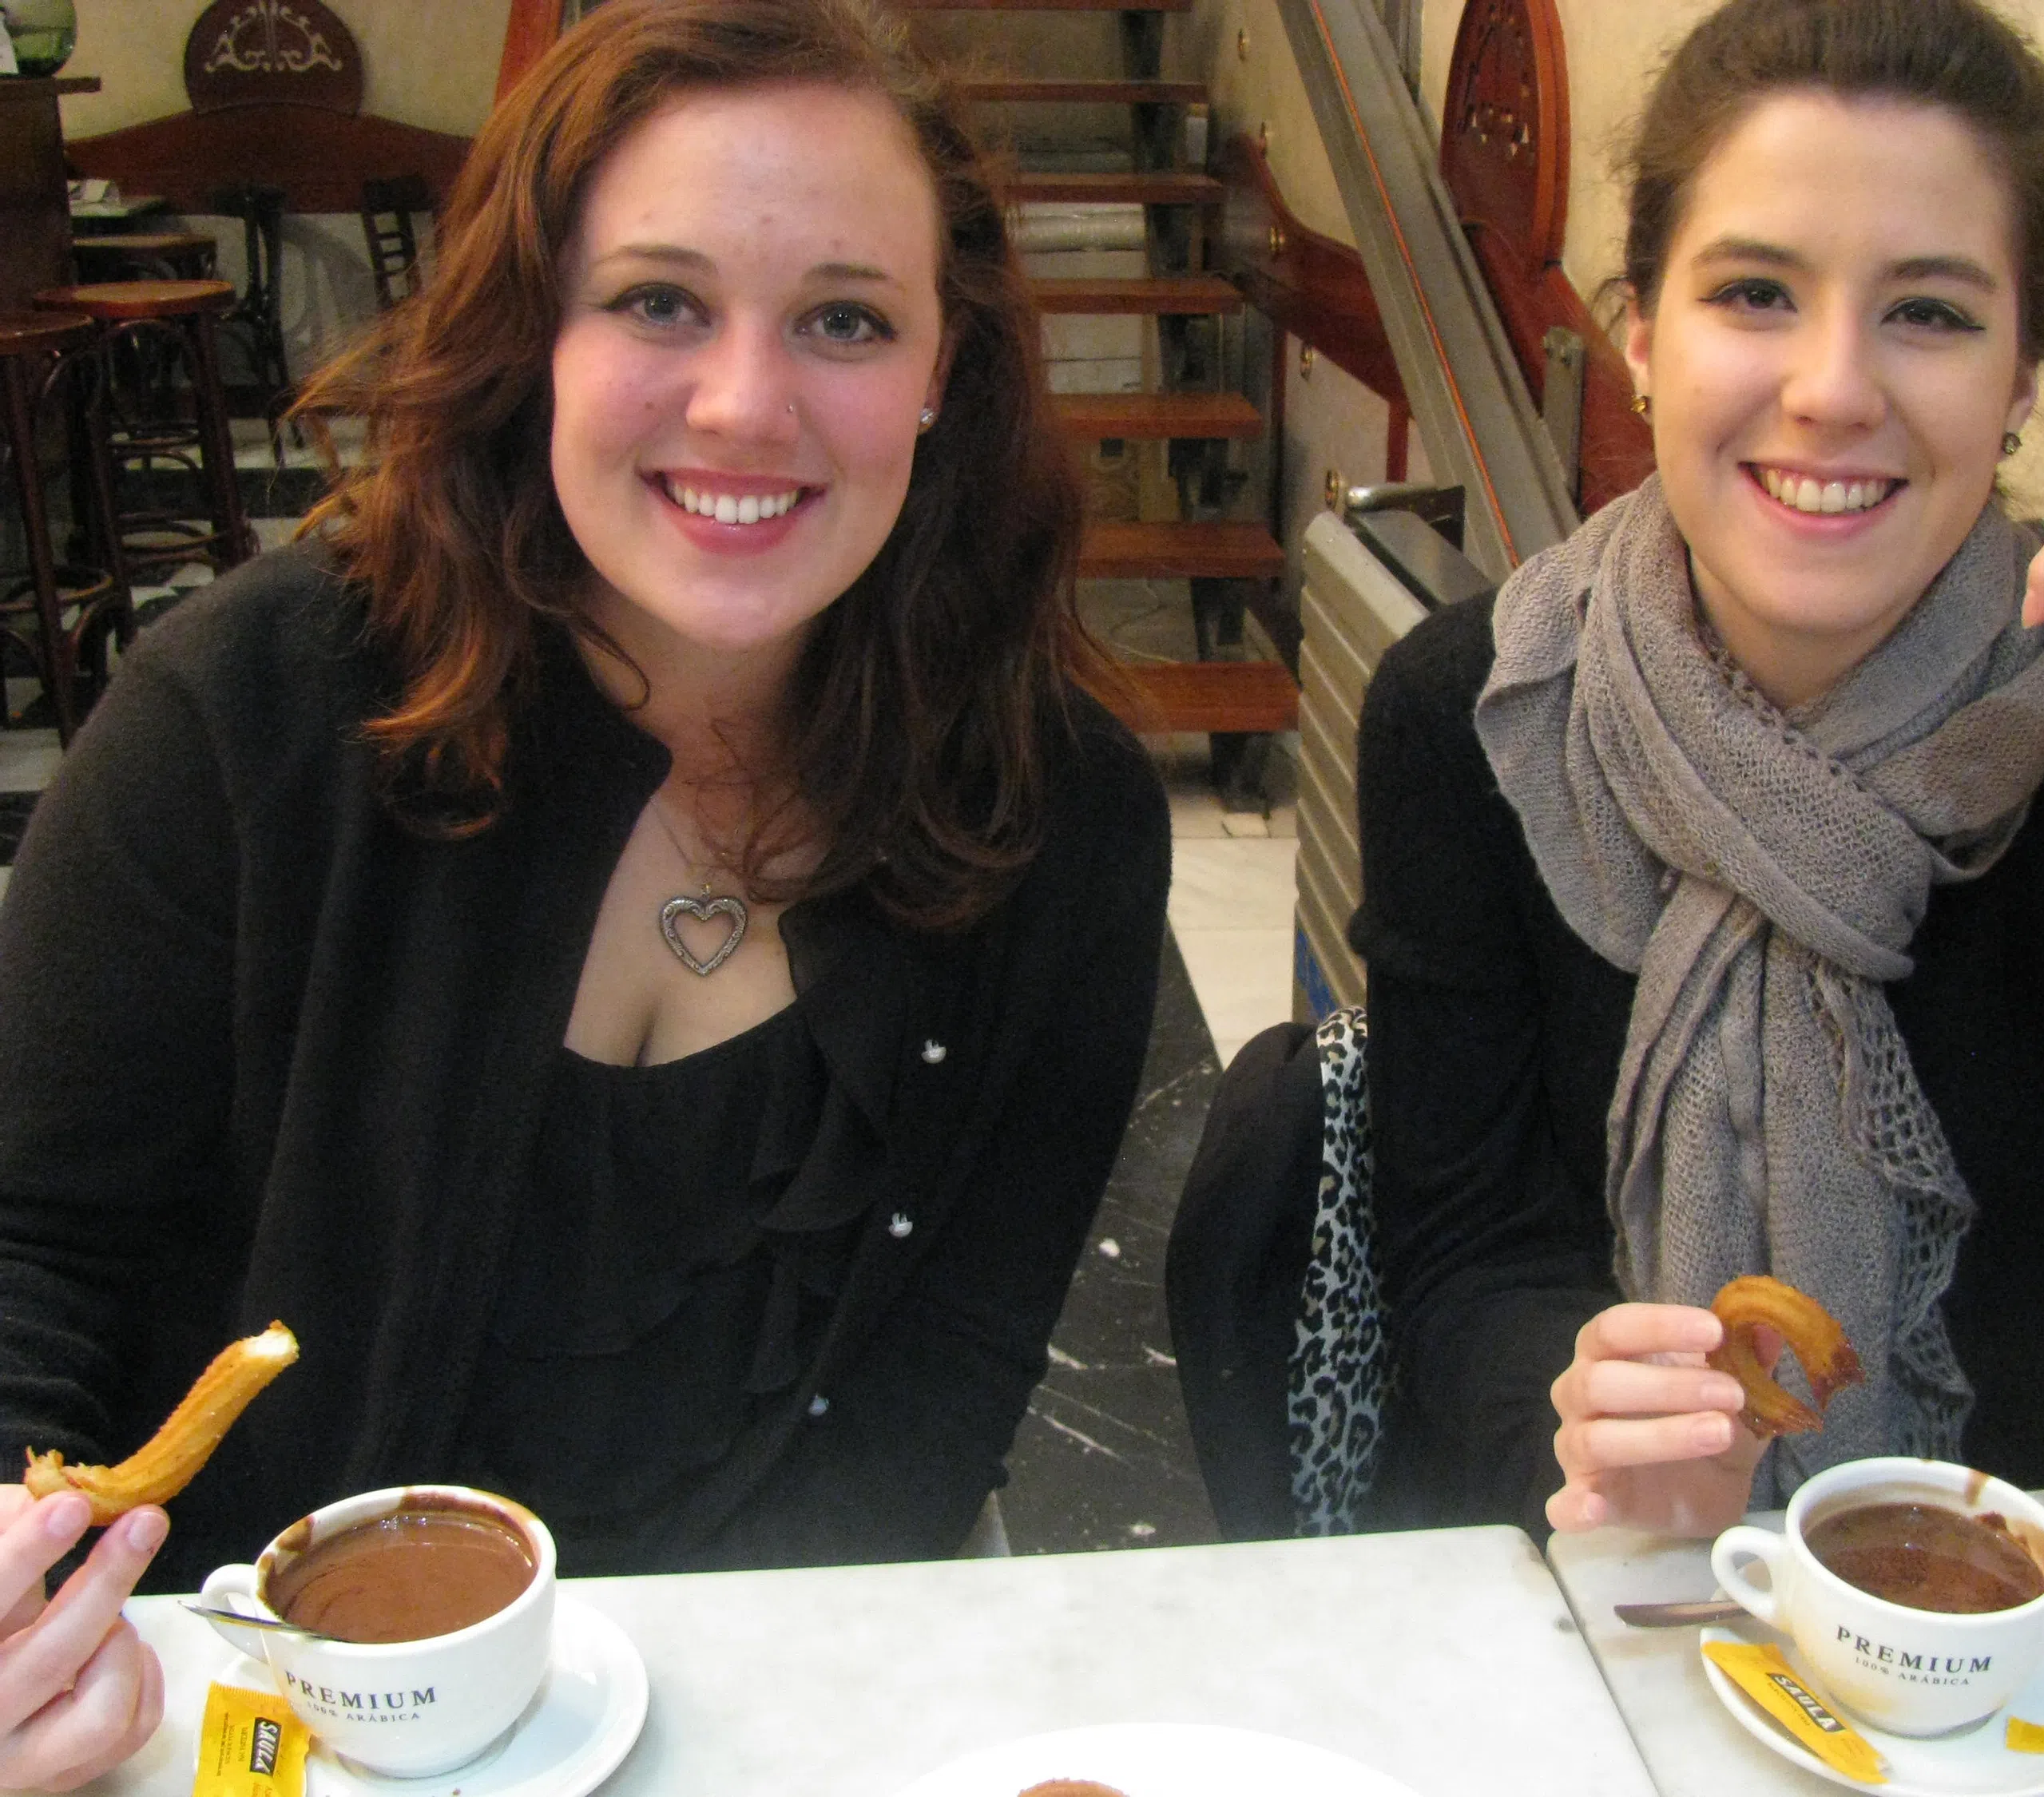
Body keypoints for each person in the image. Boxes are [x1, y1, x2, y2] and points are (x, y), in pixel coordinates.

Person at [0, 0, 1169, 1780]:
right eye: (658, 301)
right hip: (243, 1724)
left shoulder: (1059, 809)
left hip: (768, 1710)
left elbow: (952, 1361)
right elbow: (28, 1260)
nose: (744, 403)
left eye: (845, 318)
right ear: (533, 327)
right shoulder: (242, 722)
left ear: (945, 368)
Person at [1354, 0, 2044, 1546]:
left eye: (1932, 314)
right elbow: (1466, 1268)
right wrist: (1574, 1418)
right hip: (1612, 1607)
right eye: (1756, 292)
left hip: (2019, 1644)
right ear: (1641, 335)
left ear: (2025, 374)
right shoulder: (1480, 716)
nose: (1835, 389)